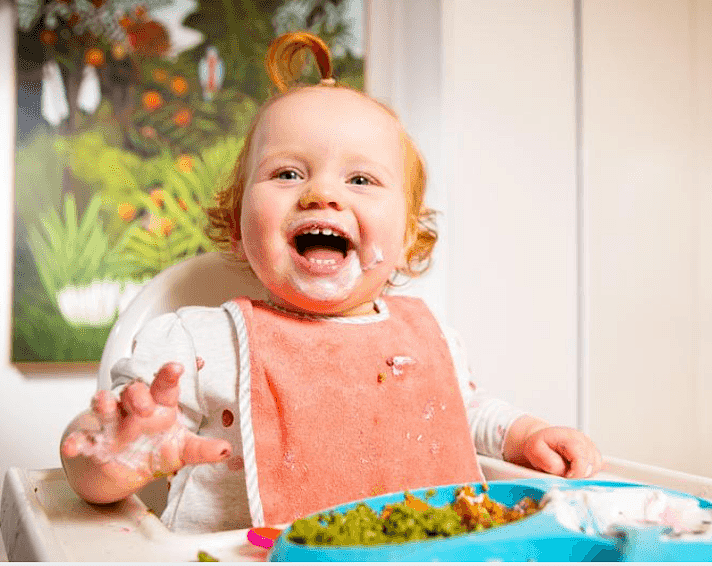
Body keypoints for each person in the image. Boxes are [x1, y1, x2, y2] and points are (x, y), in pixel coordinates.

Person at [60, 31, 603, 534]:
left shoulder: (425, 336)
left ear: (411, 238)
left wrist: (524, 435)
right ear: (236, 221)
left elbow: (459, 411)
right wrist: (112, 458)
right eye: (287, 173)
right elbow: (94, 464)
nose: (321, 193)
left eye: (361, 179)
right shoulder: (198, 344)